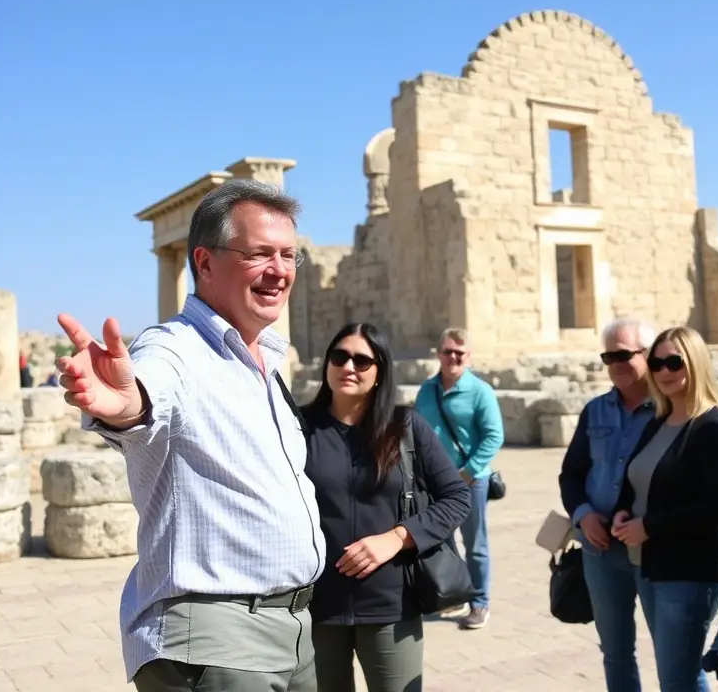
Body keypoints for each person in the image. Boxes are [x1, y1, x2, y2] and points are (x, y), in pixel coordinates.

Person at [56, 180, 326, 691]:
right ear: (204, 262)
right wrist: (127, 404)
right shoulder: (174, 348)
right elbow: (146, 396)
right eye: (260, 254)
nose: (280, 271)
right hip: (214, 640)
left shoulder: (265, 360)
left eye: (290, 255)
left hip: (291, 633)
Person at [301, 322, 470, 692]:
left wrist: (398, 537)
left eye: (362, 361)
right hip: (315, 605)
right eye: (339, 356)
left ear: (379, 372)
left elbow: (457, 496)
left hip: (390, 604)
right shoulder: (297, 428)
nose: (348, 367)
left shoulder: (405, 427)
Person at [611, 326, 718, 692]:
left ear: (694, 364)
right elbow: (639, 478)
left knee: (676, 679)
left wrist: (649, 526)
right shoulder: (660, 421)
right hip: (649, 566)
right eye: (656, 363)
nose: (664, 372)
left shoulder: (711, 427)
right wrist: (622, 512)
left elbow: (717, 508)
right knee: (682, 675)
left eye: (674, 362)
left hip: (688, 573)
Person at [558, 316, 658, 691]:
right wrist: (583, 517)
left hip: (653, 551)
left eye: (623, 354)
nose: (615, 364)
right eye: (607, 356)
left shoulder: (671, 413)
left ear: (648, 354)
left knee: (673, 654)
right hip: (600, 553)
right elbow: (571, 474)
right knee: (615, 651)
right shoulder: (594, 411)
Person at [413, 327, 504, 629]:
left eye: (459, 353)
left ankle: (480, 603)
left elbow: (494, 436)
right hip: (435, 481)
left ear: (468, 356)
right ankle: (452, 594)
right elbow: (418, 431)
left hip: (471, 480)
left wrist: (467, 471)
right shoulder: (427, 390)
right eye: (448, 351)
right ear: (439, 354)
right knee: (442, 541)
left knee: (474, 543)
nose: (453, 357)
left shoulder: (480, 392)